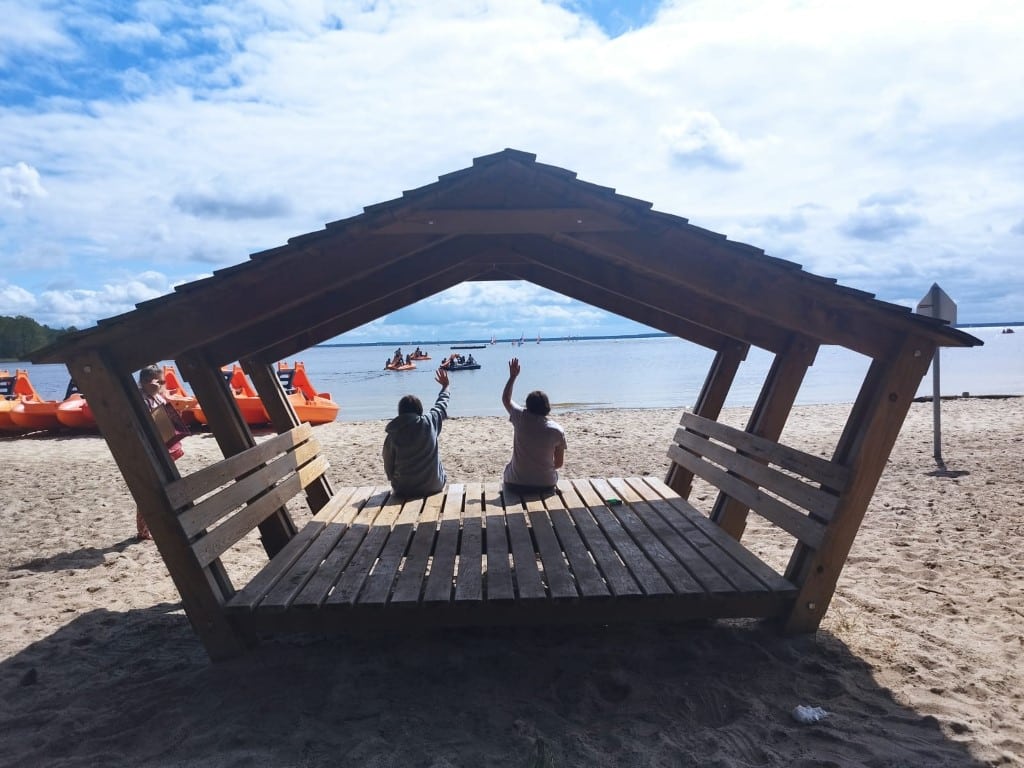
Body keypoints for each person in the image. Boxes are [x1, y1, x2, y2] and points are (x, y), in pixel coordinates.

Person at [137, 364, 188, 540]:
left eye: (163, 381)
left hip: (165, 445)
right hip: (152, 447)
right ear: (144, 382)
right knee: (152, 487)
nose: (161, 385)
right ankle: (143, 530)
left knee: (167, 484)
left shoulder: (158, 397)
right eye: (158, 382)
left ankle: (165, 522)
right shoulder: (141, 400)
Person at [501, 357, 567, 493]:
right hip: (545, 484)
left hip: (515, 483)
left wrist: (512, 377)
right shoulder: (557, 430)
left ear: (528, 406)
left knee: (508, 468)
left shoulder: (520, 417)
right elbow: (558, 464)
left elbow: (506, 399)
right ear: (547, 407)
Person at [383, 367, 451, 497]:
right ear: (420, 411)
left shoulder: (393, 434)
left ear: (400, 412)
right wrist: (446, 386)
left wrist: (392, 478)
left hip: (403, 489)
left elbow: (388, 464)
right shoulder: (429, 422)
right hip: (434, 486)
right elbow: (442, 404)